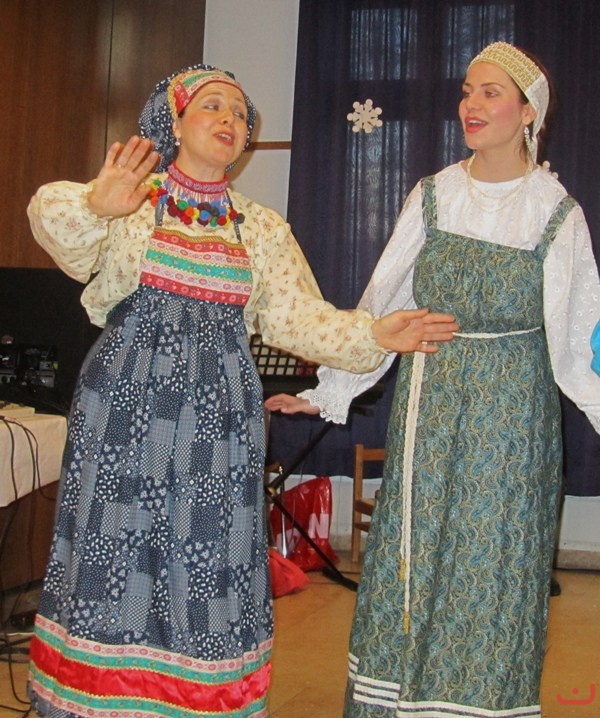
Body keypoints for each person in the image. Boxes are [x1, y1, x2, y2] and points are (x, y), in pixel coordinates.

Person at [25, 64, 458, 718]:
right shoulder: (126, 197)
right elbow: (53, 220)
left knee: (208, 552)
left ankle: (196, 701)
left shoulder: (260, 227)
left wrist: (373, 333)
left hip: (217, 414)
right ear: (174, 123)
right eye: (213, 106)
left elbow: (296, 316)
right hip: (125, 404)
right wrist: (95, 206)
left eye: (239, 114)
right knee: (114, 547)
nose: (230, 119)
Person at [265, 42, 600, 717]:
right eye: (467, 91)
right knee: (413, 560)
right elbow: (383, 306)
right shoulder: (434, 195)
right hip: (431, 408)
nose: (470, 105)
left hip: (512, 422)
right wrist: (329, 390)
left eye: (490, 93)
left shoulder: (554, 212)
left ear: (527, 112)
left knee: (493, 565)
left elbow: (579, 340)